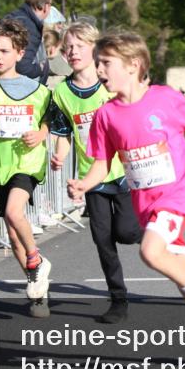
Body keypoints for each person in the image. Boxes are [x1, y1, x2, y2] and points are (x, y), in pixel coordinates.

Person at [67, 32, 185, 362]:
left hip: (177, 193)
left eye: (106, 63)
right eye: (98, 63)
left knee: (150, 251)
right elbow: (102, 163)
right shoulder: (105, 115)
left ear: (133, 65)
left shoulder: (164, 98)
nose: (99, 70)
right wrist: (85, 184)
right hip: (146, 204)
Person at [49, 21, 140, 323]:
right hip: (92, 177)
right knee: (103, 240)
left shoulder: (109, 85)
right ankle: (119, 300)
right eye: (68, 47)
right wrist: (60, 156)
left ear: (94, 48)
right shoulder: (62, 92)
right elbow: (64, 132)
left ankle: (144, 224)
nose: (72, 52)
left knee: (125, 233)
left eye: (79, 46)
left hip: (122, 172)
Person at [0, 19, 53, 317]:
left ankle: (37, 262)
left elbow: (50, 123)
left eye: (4, 50)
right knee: (13, 234)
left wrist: (40, 134)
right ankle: (38, 289)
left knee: (17, 213)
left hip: (27, 163)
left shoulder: (38, 90)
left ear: (19, 53)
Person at [4, 0, 53, 84]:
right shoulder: (30, 27)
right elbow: (23, 66)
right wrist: (41, 67)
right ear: (46, 7)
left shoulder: (13, 16)